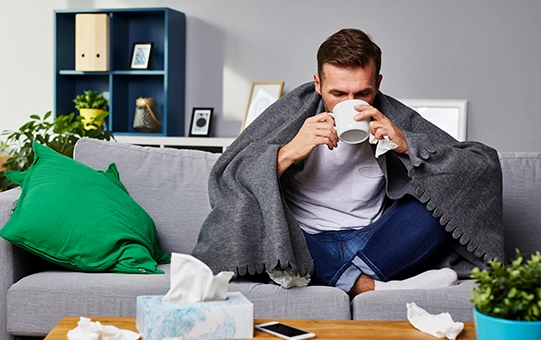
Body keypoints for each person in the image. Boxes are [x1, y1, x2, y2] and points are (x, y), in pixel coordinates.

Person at [192, 29, 505, 296]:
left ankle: (342, 277)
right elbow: (228, 176)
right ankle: (372, 287)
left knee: (444, 197)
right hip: (306, 242)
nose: (349, 103)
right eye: (337, 93)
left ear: (377, 84)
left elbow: (480, 165)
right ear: (317, 84)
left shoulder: (395, 117)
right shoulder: (290, 115)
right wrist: (288, 151)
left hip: (378, 241)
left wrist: (406, 144)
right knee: (259, 216)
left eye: (362, 93)